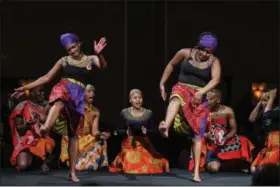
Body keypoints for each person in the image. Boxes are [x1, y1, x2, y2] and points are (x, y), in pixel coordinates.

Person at [11, 33, 107, 182]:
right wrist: (26, 88)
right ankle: (46, 127)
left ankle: (72, 172)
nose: (72, 51)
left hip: (78, 97)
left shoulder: (90, 59)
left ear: (79, 43)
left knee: (73, 134)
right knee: (59, 99)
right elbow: (46, 78)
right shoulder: (63, 61)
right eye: (69, 50)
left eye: (74, 47)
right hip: (65, 87)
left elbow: (103, 66)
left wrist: (99, 54)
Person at [158, 32, 221, 182]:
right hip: (183, 87)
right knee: (176, 96)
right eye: (203, 49)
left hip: (199, 97)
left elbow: (216, 79)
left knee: (197, 136)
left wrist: (202, 91)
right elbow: (171, 65)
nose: (205, 53)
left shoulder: (214, 61)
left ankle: (196, 173)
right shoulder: (185, 52)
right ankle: (165, 126)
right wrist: (162, 83)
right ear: (198, 46)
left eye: (208, 51)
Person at [189, 89, 255, 173]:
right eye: (207, 99)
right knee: (213, 169)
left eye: (210, 99)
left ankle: (237, 163)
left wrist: (225, 138)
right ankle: (219, 163)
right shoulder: (202, 110)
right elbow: (196, 129)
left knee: (243, 140)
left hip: (224, 141)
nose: (207, 101)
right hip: (210, 143)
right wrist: (206, 135)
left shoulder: (228, 111)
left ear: (218, 100)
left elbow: (234, 129)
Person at [109, 89, 169, 174]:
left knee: (151, 164)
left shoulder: (148, 113)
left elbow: (155, 131)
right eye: (135, 98)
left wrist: (147, 131)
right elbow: (116, 131)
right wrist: (125, 132)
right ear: (130, 100)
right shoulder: (124, 113)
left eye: (140, 98)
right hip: (129, 145)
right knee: (129, 162)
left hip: (144, 144)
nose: (138, 100)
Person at [60, 84, 110, 170]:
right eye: (89, 91)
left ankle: (83, 163)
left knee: (102, 142)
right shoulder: (73, 108)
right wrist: (75, 145)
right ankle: (78, 163)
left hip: (86, 140)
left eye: (93, 92)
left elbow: (95, 132)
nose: (92, 94)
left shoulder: (96, 111)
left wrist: (100, 135)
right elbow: (65, 131)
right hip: (70, 139)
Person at [9, 85, 55, 171]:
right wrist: (29, 125)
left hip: (41, 139)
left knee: (47, 142)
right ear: (32, 93)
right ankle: (34, 159)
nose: (42, 94)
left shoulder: (45, 107)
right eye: (39, 91)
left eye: (43, 92)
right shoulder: (23, 105)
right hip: (27, 140)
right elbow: (18, 128)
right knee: (23, 165)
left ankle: (42, 159)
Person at [251, 89, 279, 173]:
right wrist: (259, 103)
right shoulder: (262, 112)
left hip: (277, 144)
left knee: (263, 169)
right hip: (268, 145)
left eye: (265, 101)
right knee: (253, 168)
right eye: (261, 100)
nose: (262, 103)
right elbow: (251, 119)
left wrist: (271, 98)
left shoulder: (277, 111)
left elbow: (267, 115)